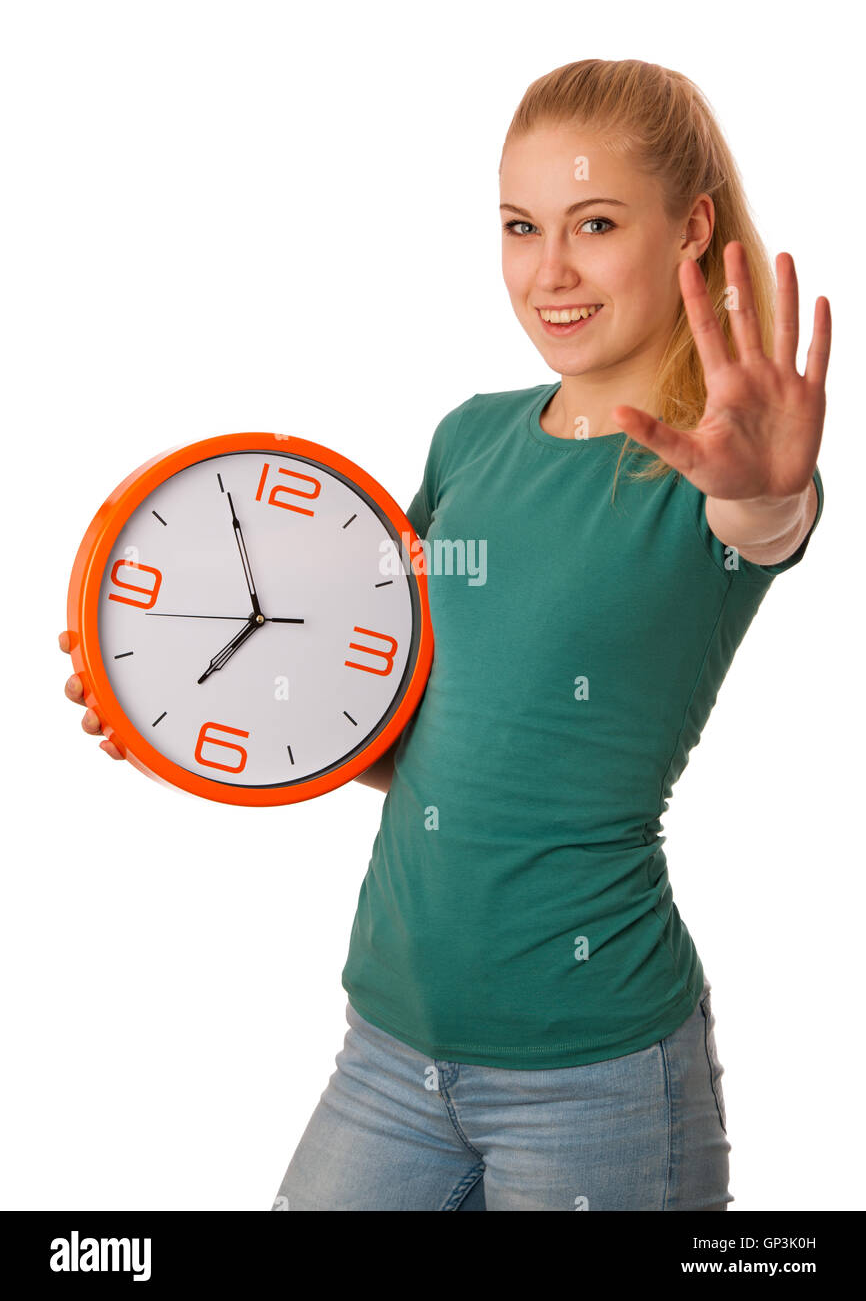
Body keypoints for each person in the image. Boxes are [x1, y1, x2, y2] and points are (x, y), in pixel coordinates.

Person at [60, 58, 828, 1211]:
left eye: (596, 223)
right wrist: (174, 715)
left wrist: (773, 486)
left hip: (595, 1078)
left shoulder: (708, 468)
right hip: (388, 1046)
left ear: (691, 227)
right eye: (521, 227)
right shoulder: (469, 439)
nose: (548, 270)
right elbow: (400, 730)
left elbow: (764, 519)